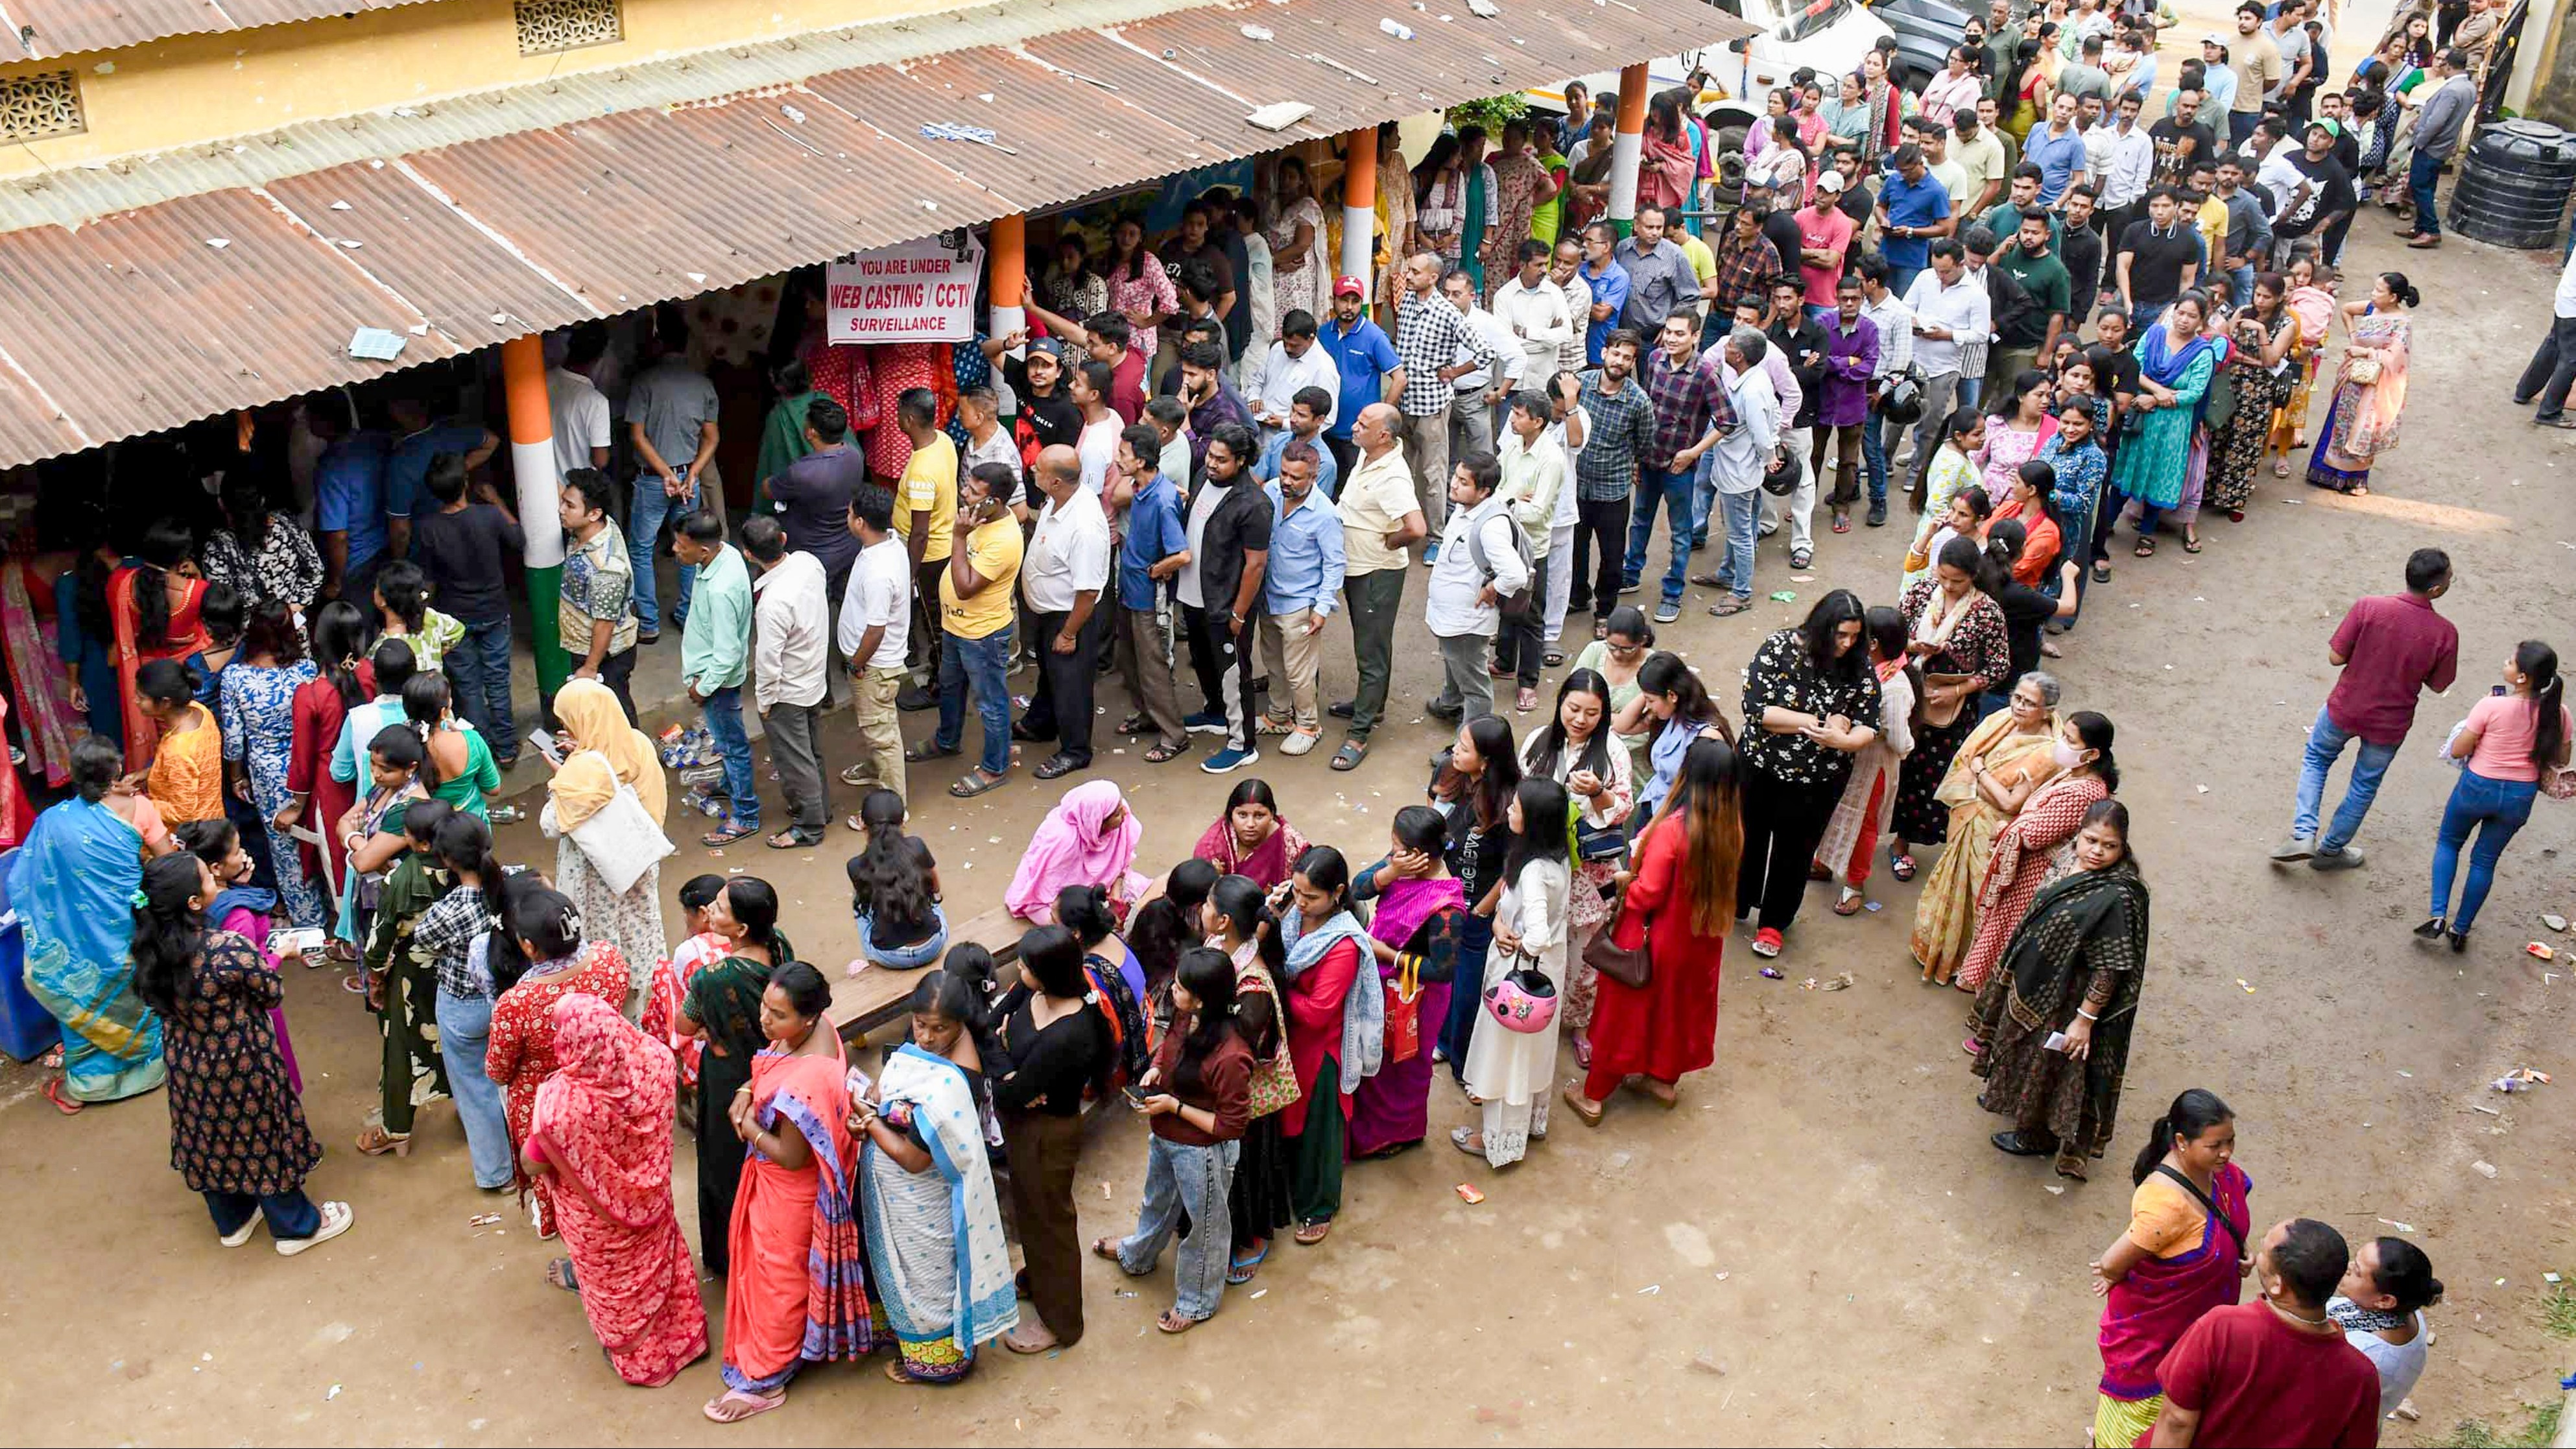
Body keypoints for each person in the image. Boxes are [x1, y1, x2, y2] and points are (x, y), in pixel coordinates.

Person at [129, 850, 350, 1253]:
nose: (216, 882)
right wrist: (280, 955)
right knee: (260, 1134)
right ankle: (296, 1226)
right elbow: (270, 993)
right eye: (208, 880)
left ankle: (233, 1220)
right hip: (241, 1062)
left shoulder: (150, 952)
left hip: (187, 1065)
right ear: (194, 902)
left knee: (207, 1134)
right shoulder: (226, 947)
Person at [703, 962, 866, 1422]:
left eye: (778, 1014)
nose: (765, 1021)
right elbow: (773, 1058)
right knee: (776, 1275)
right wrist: (746, 1087)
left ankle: (766, 1379)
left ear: (808, 1018)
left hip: (788, 1191)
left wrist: (749, 1124)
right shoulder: (816, 1031)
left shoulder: (804, 1083)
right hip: (784, 1186)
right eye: (764, 1007)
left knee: (779, 1281)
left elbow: (791, 1156)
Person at [522, 994, 709, 1387]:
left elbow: (532, 1162)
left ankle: (641, 1359)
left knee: (615, 1283)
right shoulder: (656, 1060)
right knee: (660, 1265)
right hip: (654, 1198)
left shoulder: (560, 1107)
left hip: (596, 1222)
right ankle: (685, 1340)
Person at [851, 965, 1020, 1380]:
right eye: (919, 1025)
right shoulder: (933, 1049)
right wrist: (878, 1104)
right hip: (899, 1197)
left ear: (960, 1024)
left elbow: (914, 1159)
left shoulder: (956, 1082)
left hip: (923, 1206)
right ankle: (903, 1334)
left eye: (938, 1029)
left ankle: (938, 1360)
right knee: (904, 1275)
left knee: (928, 1281)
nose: (925, 1037)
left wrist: (870, 1122)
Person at [1968, 795, 2149, 1182]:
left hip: (2067, 997)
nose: (2097, 852)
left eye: (2110, 845)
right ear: (2079, 836)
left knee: (2044, 1063)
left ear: (2124, 846)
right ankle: (2007, 1098)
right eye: (2091, 840)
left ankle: (2036, 1134)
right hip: (2035, 978)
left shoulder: (2118, 896)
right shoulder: (2071, 860)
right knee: (2017, 1046)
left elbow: (2110, 968)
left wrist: (2084, 1019)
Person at [1566, 736, 1738, 1125]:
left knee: (1623, 1015)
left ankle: (1593, 1096)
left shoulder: (1674, 830)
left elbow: (1648, 894)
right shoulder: (1730, 828)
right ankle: (1662, 1080)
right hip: (1701, 939)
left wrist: (1629, 880)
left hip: (1653, 939)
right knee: (1678, 1011)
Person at [1099, 946, 1252, 1334]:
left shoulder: (1232, 1056)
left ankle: (1197, 1300)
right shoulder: (1188, 1018)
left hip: (1202, 1151)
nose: (1173, 991)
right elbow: (1168, 1050)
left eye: (1181, 988)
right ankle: (1138, 1254)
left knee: (1205, 1225)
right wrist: (1154, 1070)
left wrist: (1174, 1106)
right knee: (1159, 1201)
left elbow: (1231, 1125)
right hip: (1167, 1135)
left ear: (1202, 998)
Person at [2091, 1089, 2254, 1447]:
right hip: (2154, 1343)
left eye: (2230, 1141)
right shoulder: (2165, 1206)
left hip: (2192, 1330)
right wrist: (2111, 1277)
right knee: (2134, 1427)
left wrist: (2241, 1251)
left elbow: (2231, 1220)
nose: (2226, 1152)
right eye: (2215, 1145)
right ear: (2181, 1141)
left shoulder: (2222, 1174)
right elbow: (2111, 1263)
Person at [2277, 549, 2458, 870]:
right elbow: (2439, 684)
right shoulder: (2445, 633)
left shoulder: (2370, 607)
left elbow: (2335, 657)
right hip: (2390, 724)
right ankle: (2331, 852)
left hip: (2346, 707)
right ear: (2436, 590)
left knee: (2317, 759)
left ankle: (2304, 833)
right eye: (2449, 578)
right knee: (2364, 785)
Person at [16, 735, 166, 1112]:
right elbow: (167, 862)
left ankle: (89, 1085)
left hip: (76, 941)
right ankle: (150, 1067)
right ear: (115, 772)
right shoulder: (141, 808)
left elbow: (25, 879)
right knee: (135, 993)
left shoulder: (52, 822)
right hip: (127, 930)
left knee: (79, 993)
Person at [988, 925, 1116, 1353]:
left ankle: (1061, 1320)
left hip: (1047, 1134)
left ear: (1046, 973)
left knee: (1050, 1223)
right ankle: (1036, 1279)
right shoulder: (1033, 993)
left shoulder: (1070, 1031)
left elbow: (1011, 1090)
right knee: (1031, 1212)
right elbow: (991, 1028)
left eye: (1025, 965)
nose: (1018, 970)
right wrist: (1009, 1065)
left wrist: (1008, 1069)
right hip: (1025, 1126)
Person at [1735, 593, 1881, 959]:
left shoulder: (1859, 668)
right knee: (1747, 838)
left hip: (1818, 781)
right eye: (1841, 635)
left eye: (1854, 637)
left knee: (1795, 852)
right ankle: (1736, 900)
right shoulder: (1779, 648)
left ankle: (1774, 923)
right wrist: (1816, 723)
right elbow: (1757, 709)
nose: (1847, 644)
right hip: (1759, 767)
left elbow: (1870, 725)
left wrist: (1844, 740)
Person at [485, 886, 634, 1239]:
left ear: (528, 947)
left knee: (556, 1173)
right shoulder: (608, 959)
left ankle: (565, 1230)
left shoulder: (517, 1001)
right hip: (606, 1083)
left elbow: (498, 1070)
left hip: (544, 1103)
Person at [2153, 1219, 2381, 1447]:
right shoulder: (2361, 1375)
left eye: (2264, 1251)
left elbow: (2177, 1420)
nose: (2258, 1254)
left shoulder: (2222, 1327)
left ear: (2277, 1285)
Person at [1912, 669, 2066, 986]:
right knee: (1952, 885)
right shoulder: (2001, 720)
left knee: (1981, 896)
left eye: (2029, 703)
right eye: (2017, 698)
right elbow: (1966, 759)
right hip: (1971, 817)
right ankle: (1940, 952)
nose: (2019, 706)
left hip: (1995, 832)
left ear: (2047, 711)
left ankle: (1973, 966)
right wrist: (1984, 783)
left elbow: (2010, 804)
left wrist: (1981, 774)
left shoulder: (2046, 752)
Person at [671, 877, 791, 1278]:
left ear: (740, 929)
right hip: (776, 1066)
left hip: (729, 1077)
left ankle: (732, 1254)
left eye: (720, 908)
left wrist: (710, 1026)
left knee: (726, 1166)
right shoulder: (780, 946)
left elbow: (684, 1024)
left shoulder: (712, 978)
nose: (711, 913)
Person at [2422, 641, 2570, 951]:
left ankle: (2438, 915)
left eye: (2510, 662)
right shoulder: (2559, 713)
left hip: (2477, 786)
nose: (2505, 664)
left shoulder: (2491, 706)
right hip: (2520, 796)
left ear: (2522, 678)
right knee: (2485, 862)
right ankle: (2461, 929)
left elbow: (2460, 749)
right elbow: (2563, 756)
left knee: (2449, 842)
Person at [1455, 778, 1571, 1168]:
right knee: (1532, 1053)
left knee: (1509, 1058)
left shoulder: (1534, 871)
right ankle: (1530, 1124)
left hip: (1519, 980)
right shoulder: (1557, 858)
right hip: (1547, 976)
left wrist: (1506, 934)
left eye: (1517, 808)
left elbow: (1536, 935)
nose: (1509, 811)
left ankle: (1498, 1140)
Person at [1890, 536, 2015, 883]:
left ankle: (1916, 841)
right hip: (1909, 698)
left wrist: (1958, 690)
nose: (1948, 586)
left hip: (1953, 710)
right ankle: (1893, 837)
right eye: (1943, 577)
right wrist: (1914, 645)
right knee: (1899, 766)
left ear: (1974, 575)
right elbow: (1892, 637)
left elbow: (1998, 667)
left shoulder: (1988, 612)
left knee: (1936, 775)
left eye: (1957, 581)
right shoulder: (1920, 593)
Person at [541, 678, 669, 1013]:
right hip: (638, 862)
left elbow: (551, 823)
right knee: (641, 931)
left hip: (598, 878)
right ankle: (650, 1013)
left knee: (603, 949)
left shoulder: (583, 770)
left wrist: (561, 779)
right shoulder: (637, 743)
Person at [1348, 807, 1466, 1158]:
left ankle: (1400, 1132)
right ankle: (1372, 1126)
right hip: (1382, 983)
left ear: (1419, 855)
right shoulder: (1400, 865)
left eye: (1397, 846)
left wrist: (1388, 955)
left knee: (1405, 1066)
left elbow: (1442, 970)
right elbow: (1359, 887)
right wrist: (1390, 871)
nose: (1392, 850)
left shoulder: (1447, 907)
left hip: (1418, 998)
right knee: (1377, 1062)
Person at [408, 812, 514, 1190]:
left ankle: (498, 1174)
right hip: (507, 998)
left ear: (447, 860)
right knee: (513, 1079)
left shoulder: (449, 909)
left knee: (475, 1090)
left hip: (463, 1003)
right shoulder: (510, 884)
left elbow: (423, 939)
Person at [1330, 403, 1429, 771]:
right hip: (1358, 567)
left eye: (1362, 423)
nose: (1354, 427)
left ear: (1383, 436)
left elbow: (1416, 528)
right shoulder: (1369, 455)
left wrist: (1392, 541)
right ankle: (1372, 706)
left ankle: (1359, 734)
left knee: (1370, 649)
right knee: (1371, 641)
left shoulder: (1393, 477)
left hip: (1376, 571)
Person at [356, 793, 455, 1158]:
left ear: (424, 843)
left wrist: (376, 979)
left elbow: (380, 940)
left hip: (413, 975)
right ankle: (471, 1109)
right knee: (462, 1041)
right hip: (460, 970)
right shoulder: (469, 863)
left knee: (401, 1048)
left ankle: (396, 1128)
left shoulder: (401, 879)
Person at [174, 818, 305, 1095]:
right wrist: (281, 954)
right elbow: (248, 972)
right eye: (236, 851)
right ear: (215, 868)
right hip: (250, 1008)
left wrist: (239, 884)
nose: (244, 854)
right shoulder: (238, 916)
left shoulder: (198, 902)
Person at [409, 455, 525, 765]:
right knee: (498, 681)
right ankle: (507, 748)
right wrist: (497, 499)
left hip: (454, 618)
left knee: (469, 687)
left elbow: (428, 579)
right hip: (495, 612)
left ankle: (482, 751)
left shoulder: (428, 528)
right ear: (466, 484)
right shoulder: (489, 516)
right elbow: (518, 539)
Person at [918, 461, 1023, 798]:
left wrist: (959, 536)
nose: (964, 493)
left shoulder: (1004, 539)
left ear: (994, 501)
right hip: (955, 626)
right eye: (966, 485)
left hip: (983, 635)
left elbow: (965, 587)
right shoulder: (979, 518)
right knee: (950, 687)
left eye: (974, 491)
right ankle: (947, 740)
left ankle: (995, 768)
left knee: (990, 702)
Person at [216, 601, 322, 925]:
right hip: (310, 764)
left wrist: (236, 777)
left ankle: (308, 921)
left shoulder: (235, 677)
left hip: (268, 773)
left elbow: (234, 740)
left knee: (285, 848)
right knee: (317, 836)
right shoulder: (306, 670)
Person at [1013, 445, 1111, 782]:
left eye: (1037, 469)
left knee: (1071, 684)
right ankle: (1040, 724)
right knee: (1051, 674)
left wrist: (1069, 634)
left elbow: (1088, 592)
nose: (1032, 472)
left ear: (1055, 482)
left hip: (1071, 617)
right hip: (1049, 612)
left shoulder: (1084, 526)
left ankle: (1075, 750)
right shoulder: (1059, 500)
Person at [1177, 425, 1271, 774]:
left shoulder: (1254, 504)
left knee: (1234, 672)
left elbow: (1256, 564)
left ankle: (1242, 743)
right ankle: (1214, 712)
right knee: (1202, 658)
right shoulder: (1203, 477)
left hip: (1226, 604)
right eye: (1211, 456)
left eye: (1221, 459)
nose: (1212, 464)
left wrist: (1240, 613)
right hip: (1193, 593)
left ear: (1242, 461)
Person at [738, 517, 830, 848]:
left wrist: (764, 702)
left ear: (749, 555)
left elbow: (768, 662)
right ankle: (821, 808)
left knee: (795, 759)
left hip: (788, 691)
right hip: (814, 678)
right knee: (811, 750)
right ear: (784, 538)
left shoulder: (773, 602)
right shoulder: (809, 563)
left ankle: (809, 825)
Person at [668, 513, 758, 844]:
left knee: (732, 747)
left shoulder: (721, 591)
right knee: (727, 742)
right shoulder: (725, 555)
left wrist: (701, 688)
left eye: (682, 545)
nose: (676, 550)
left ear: (704, 551)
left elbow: (728, 654)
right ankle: (732, 786)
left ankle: (746, 815)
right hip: (713, 677)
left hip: (717, 683)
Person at [2110, 293, 2221, 554]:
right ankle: (2106, 523)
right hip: (2141, 418)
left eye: (2192, 316)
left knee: (2160, 475)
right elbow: (2134, 367)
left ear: (2201, 321)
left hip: (2173, 425)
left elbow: (2194, 393)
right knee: (2126, 469)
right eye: (2180, 313)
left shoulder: (2203, 352)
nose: (2184, 320)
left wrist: (2155, 400)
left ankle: (2147, 532)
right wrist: (2157, 391)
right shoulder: (2154, 335)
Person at [1256, 442, 1343, 752]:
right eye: (1284, 474)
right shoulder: (1270, 492)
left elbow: (1335, 564)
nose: (1287, 481)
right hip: (1269, 598)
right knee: (1273, 663)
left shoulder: (1325, 515)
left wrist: (1321, 608)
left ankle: (1308, 725)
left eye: (1296, 477)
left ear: (1314, 476)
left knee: (1299, 671)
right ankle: (1279, 715)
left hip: (1300, 604)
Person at [111, 520, 213, 774]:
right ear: (183, 557)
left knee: (164, 742)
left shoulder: (123, 586)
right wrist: (198, 575)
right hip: (187, 677)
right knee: (191, 740)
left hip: (150, 678)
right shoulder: (196, 591)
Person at [2306, 271, 2417, 497]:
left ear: (2394, 297)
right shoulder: (2370, 308)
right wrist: (2353, 335)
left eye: (2379, 291)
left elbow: (2395, 359)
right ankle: (2325, 471)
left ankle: (2355, 479)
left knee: (2365, 428)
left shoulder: (2401, 325)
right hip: (2352, 379)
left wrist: (2365, 351)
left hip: (2375, 385)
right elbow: (2346, 309)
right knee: (2340, 422)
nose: (2373, 294)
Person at [2204, 273, 2300, 519]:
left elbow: (2271, 360)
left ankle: (2234, 499)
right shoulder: (2242, 311)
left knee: (2245, 444)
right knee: (2218, 436)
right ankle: (2207, 491)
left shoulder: (2286, 324)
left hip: (2258, 392)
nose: (2260, 301)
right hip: (2230, 383)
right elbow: (2226, 347)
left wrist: (2261, 333)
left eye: (2267, 297)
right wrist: (2251, 360)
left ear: (2279, 298)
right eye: (2258, 294)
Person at [555, 470, 641, 722]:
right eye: (563, 502)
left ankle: (634, 758)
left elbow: (605, 624)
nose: (561, 509)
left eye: (569, 505)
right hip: (584, 644)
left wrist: (590, 668)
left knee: (616, 716)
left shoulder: (606, 569)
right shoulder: (596, 526)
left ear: (594, 514)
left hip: (605, 656)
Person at [1005, 778, 1148, 925]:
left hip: (1099, 891)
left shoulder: (1120, 818)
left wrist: (1115, 894)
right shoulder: (1063, 840)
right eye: (1117, 813)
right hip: (1054, 904)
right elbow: (1044, 896)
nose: (1125, 812)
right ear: (1097, 822)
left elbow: (1121, 865)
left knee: (1146, 897)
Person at [2329, 1238, 2442, 1411]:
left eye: (2358, 1272)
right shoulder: (2406, 1311)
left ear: (2385, 1300)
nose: (2349, 1267)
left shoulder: (2360, 1353)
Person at [846, 789, 944, 973]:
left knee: (858, 902)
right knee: (929, 894)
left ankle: (872, 959)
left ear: (862, 824)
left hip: (889, 956)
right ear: (903, 822)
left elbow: (866, 905)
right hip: (932, 945)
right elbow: (936, 887)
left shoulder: (856, 865)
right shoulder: (917, 846)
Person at [2397, 47, 2474, 248]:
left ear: (2448, 66)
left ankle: (2430, 229)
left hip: (2432, 145)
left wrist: (2419, 139)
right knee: (2427, 186)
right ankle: (2422, 226)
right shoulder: (2468, 88)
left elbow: (2436, 122)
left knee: (2420, 186)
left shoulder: (2451, 90)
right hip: (2443, 145)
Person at [1193, 778, 1310, 889]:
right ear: (1230, 814)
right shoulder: (1211, 849)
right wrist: (1216, 880)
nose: (1250, 824)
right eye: (1242, 815)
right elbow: (1199, 899)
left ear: (1272, 815)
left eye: (1259, 816)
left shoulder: (1290, 842)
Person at [2513, 245, 2576, 429]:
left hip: (2566, 298)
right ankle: (2550, 412)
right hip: (2574, 306)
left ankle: (2524, 391)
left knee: (2554, 343)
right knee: (2571, 359)